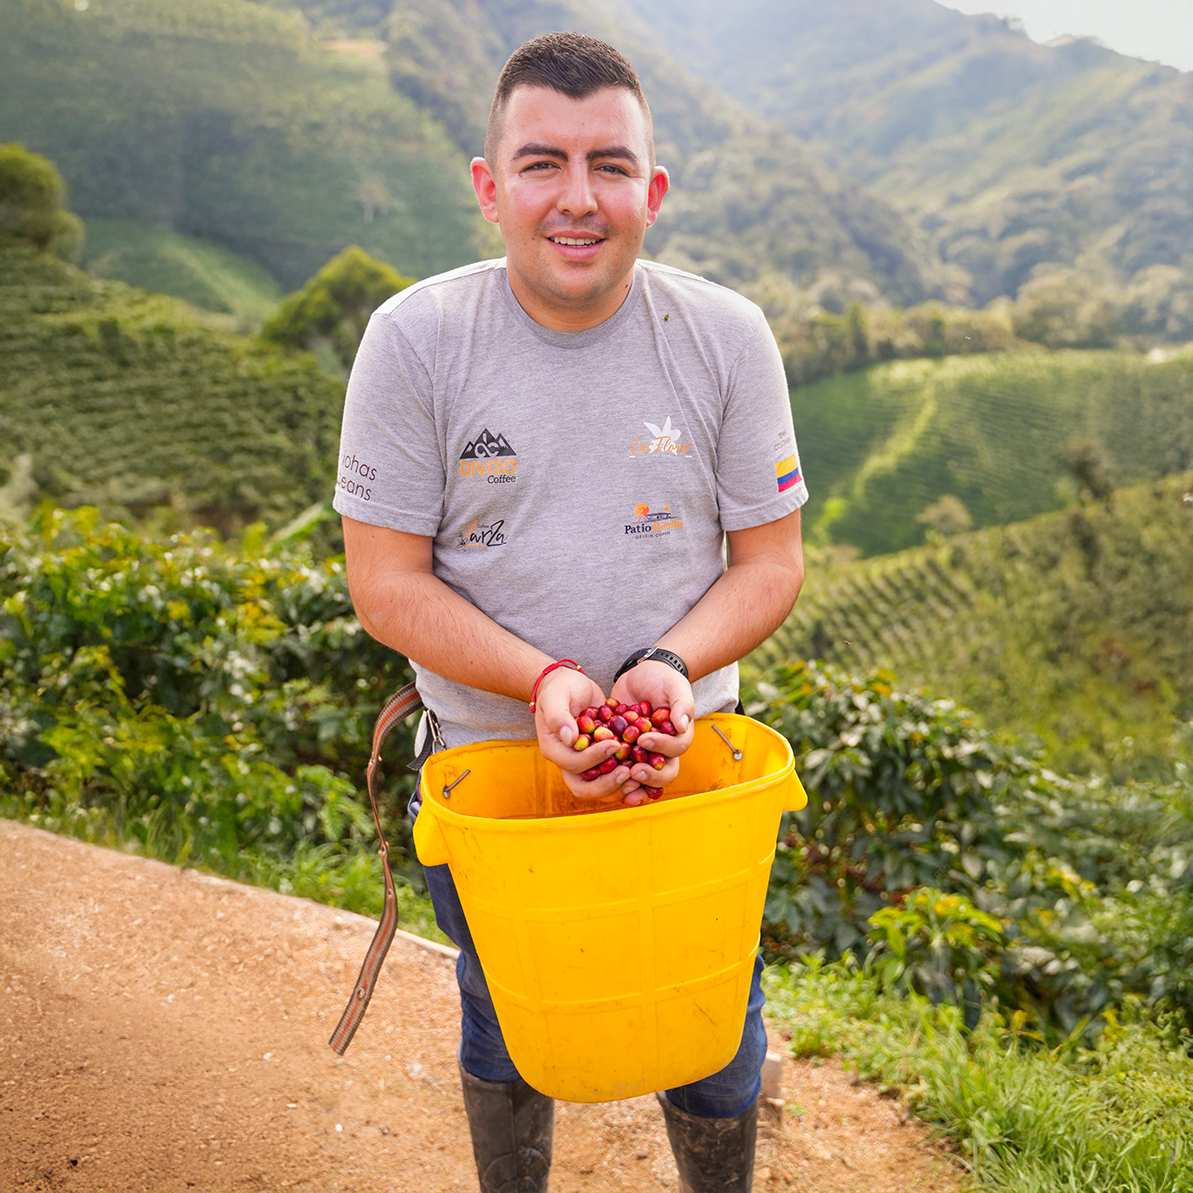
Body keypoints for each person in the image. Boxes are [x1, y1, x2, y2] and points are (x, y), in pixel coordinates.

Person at [333, 31, 807, 1193]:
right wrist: (541, 679)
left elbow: (771, 561)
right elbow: (383, 581)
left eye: (608, 166)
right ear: (490, 188)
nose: (576, 199)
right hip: (496, 775)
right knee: (507, 1016)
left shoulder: (725, 336)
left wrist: (665, 662)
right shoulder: (416, 341)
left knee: (711, 1026)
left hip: (683, 761)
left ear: (651, 192)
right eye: (541, 163)